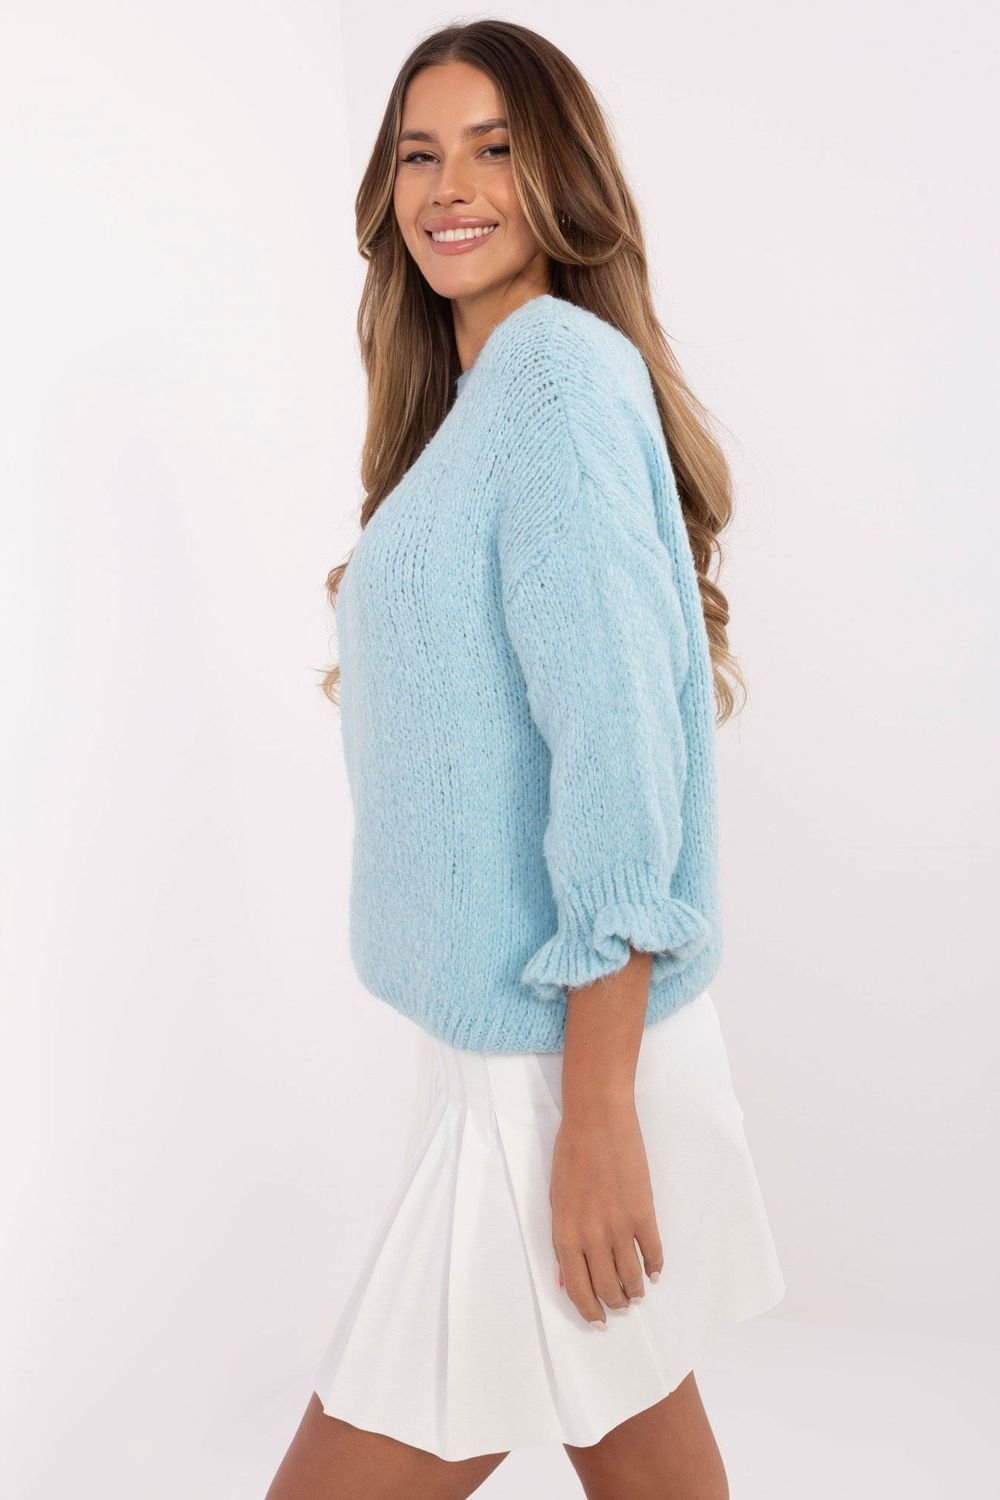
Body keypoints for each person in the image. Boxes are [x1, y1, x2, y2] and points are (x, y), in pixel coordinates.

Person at [265, 19, 785, 1500]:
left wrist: (595, 1116)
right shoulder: (488, 400)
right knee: (644, 1455)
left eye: (494, 148)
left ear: (559, 173)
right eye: (420, 154)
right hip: (515, 1067)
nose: (451, 186)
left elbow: (615, 761)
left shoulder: (554, 377)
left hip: (558, 1072)